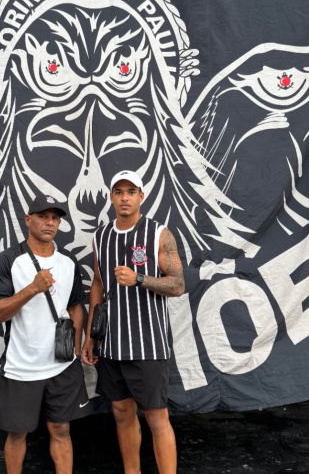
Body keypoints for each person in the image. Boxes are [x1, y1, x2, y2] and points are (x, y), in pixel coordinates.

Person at [82, 170, 185, 474]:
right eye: (118, 192)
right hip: (112, 343)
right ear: (111, 197)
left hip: (148, 344)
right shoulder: (101, 236)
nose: (124, 197)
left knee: (156, 418)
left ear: (141, 196)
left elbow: (178, 285)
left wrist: (140, 278)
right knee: (121, 412)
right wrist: (90, 335)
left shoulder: (159, 234)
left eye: (130, 192)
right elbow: (98, 283)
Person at [0, 194, 89, 474]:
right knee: (17, 433)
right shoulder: (9, 259)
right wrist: (32, 288)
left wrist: (75, 348)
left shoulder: (68, 261)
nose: (50, 222)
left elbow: (75, 306)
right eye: (43, 216)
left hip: (62, 365)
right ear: (28, 220)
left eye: (55, 218)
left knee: (61, 429)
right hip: (22, 366)